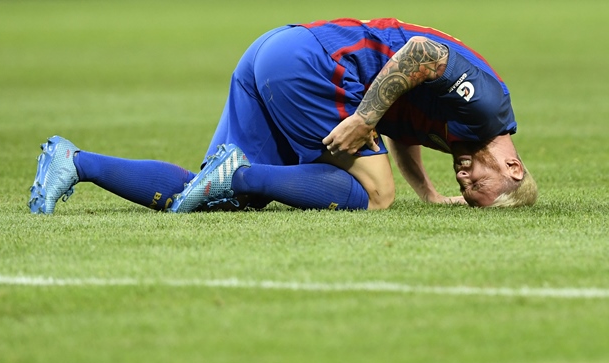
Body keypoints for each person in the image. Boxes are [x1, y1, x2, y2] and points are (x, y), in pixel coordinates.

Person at [28, 18, 537, 215]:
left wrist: (427, 191)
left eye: (465, 191)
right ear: (512, 168)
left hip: (271, 53)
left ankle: (75, 162)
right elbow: (421, 54)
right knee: (376, 196)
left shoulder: (465, 139)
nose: (465, 181)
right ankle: (238, 175)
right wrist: (364, 118)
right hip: (311, 61)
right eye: (477, 185)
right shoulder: (488, 106)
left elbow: (401, 128)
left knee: (219, 199)